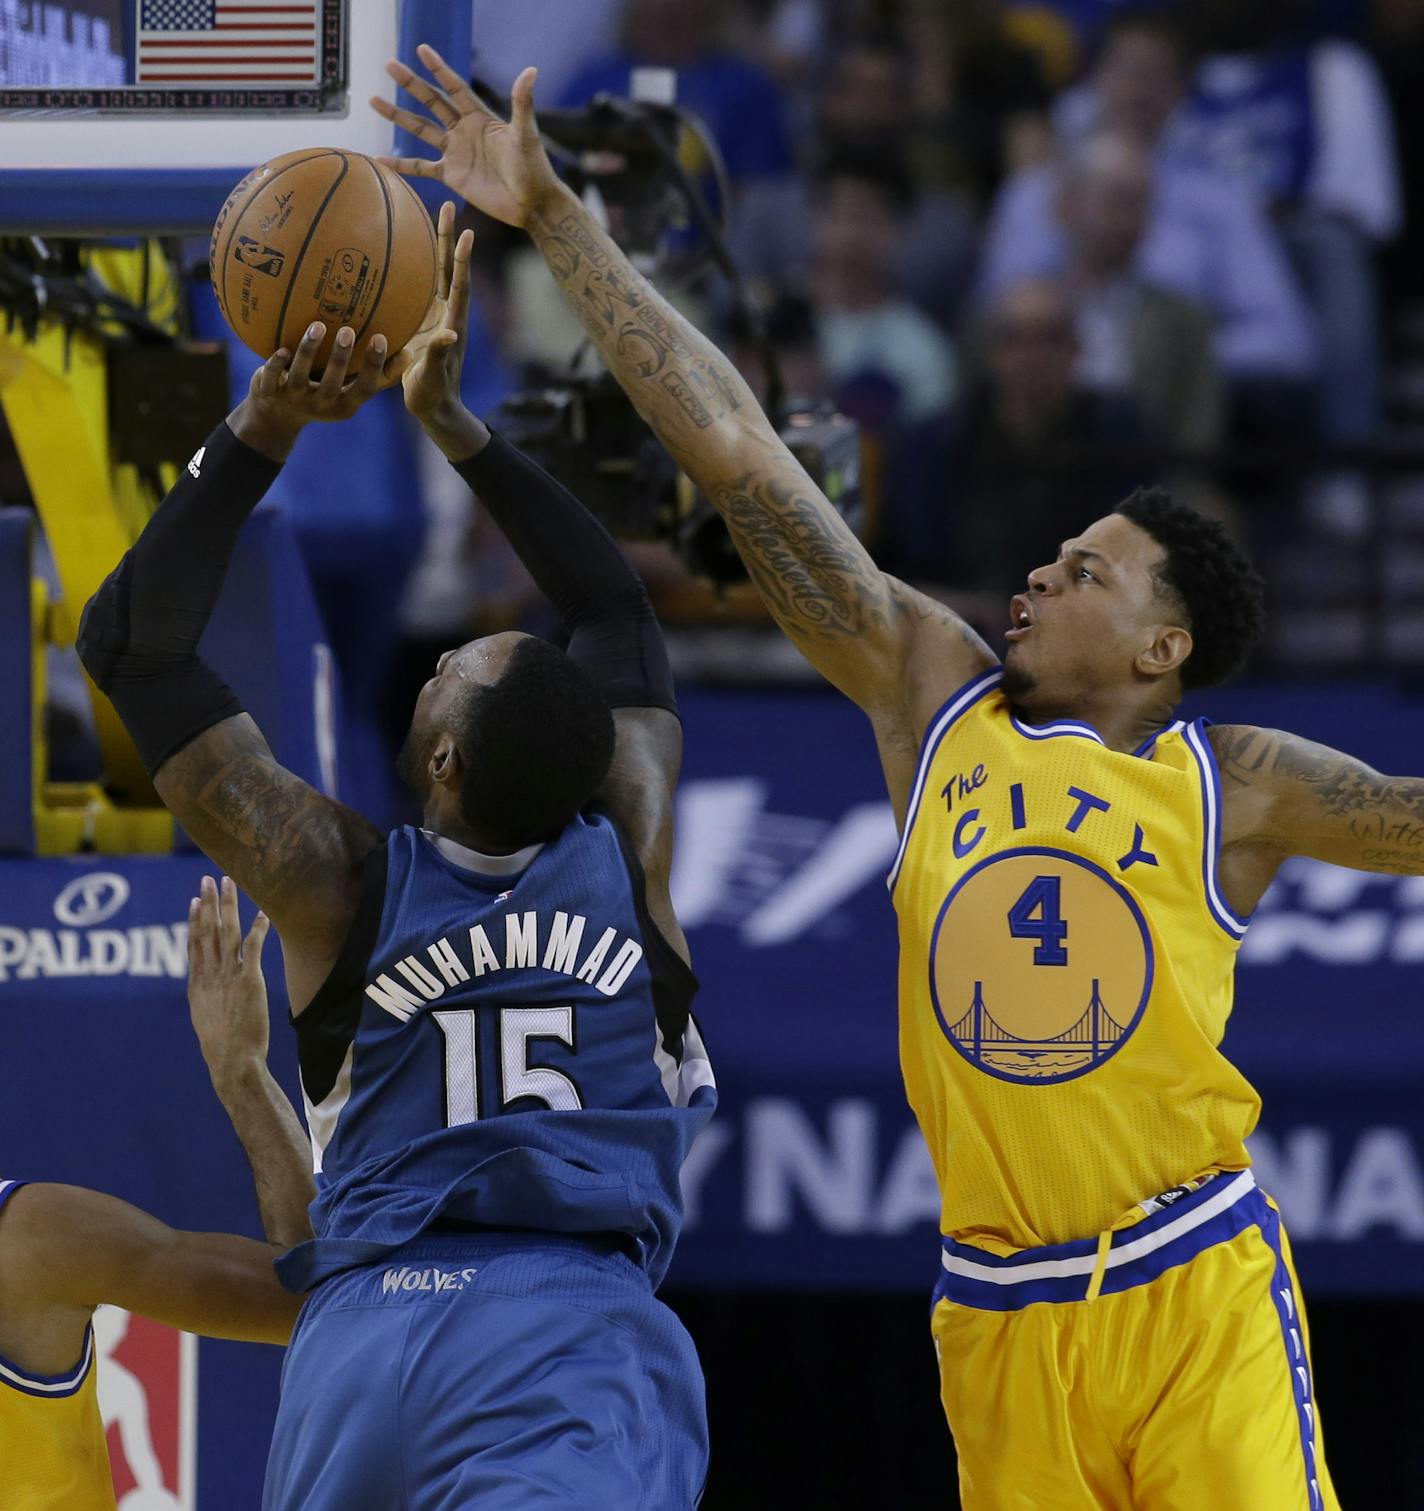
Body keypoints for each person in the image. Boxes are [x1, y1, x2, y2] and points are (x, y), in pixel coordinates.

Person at [373, 44, 1424, 1508]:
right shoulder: (932, 693)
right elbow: (742, 455)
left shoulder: (1231, 778)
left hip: (1194, 1281)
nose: (1043, 574)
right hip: (996, 1308)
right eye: (1052, 556)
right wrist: (558, 218)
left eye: (1087, 571)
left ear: (1163, 642)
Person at [78, 205, 715, 1509]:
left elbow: (132, 644)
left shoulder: (340, 884)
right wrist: (454, 422)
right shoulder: (630, 856)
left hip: (366, 1342)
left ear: (442, 764)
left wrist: (265, 425)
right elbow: (612, 607)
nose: (432, 663)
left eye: (447, 673)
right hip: (565, 1335)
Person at [0, 877, 310, 1511]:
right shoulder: (34, 1240)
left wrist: (242, 1074)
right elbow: (321, 1305)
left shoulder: (34, 1242)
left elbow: (313, 1304)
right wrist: (241, 1073)